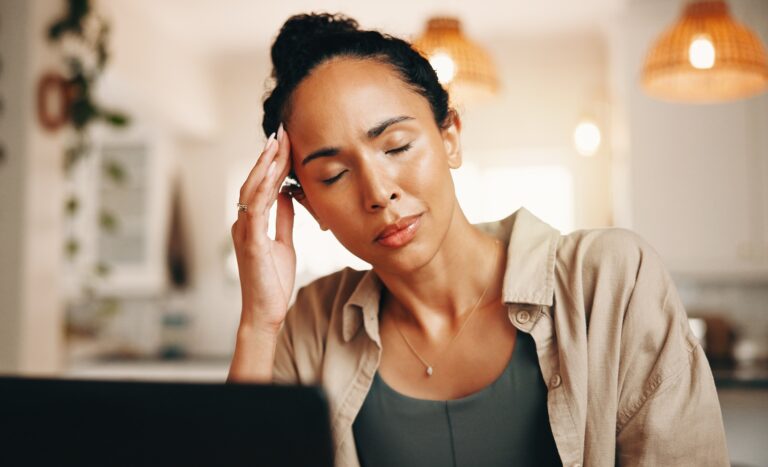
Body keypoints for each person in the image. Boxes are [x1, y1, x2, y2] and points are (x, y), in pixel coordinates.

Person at [227, 12, 729, 467]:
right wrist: (257, 322)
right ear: (309, 205)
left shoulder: (612, 280)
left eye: (397, 146)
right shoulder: (310, 326)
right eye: (334, 175)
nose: (379, 193)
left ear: (450, 137)